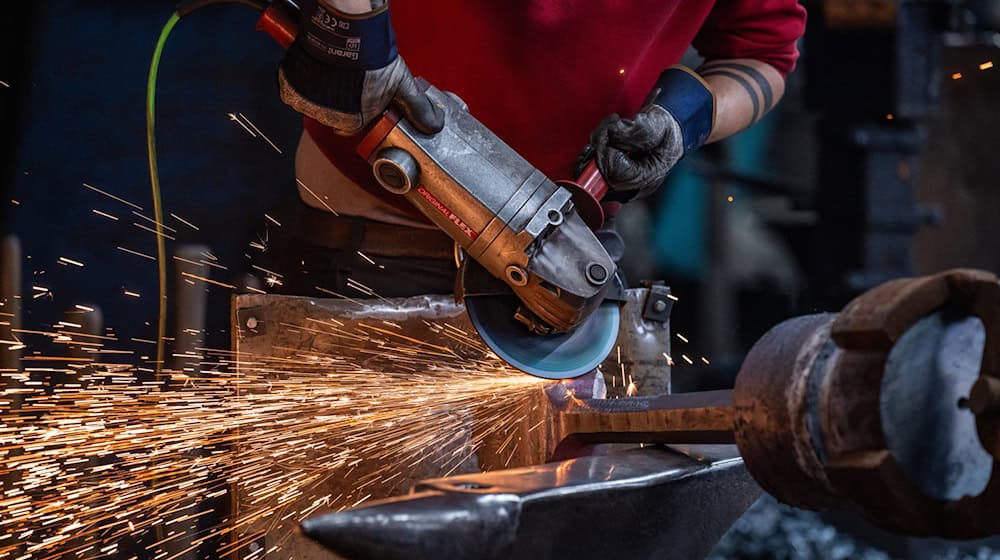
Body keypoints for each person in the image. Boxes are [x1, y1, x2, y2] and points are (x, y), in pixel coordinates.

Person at [265, 0, 807, 301]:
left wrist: (682, 122)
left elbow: (763, 51)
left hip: (563, 255)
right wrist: (348, 27)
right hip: (366, 227)